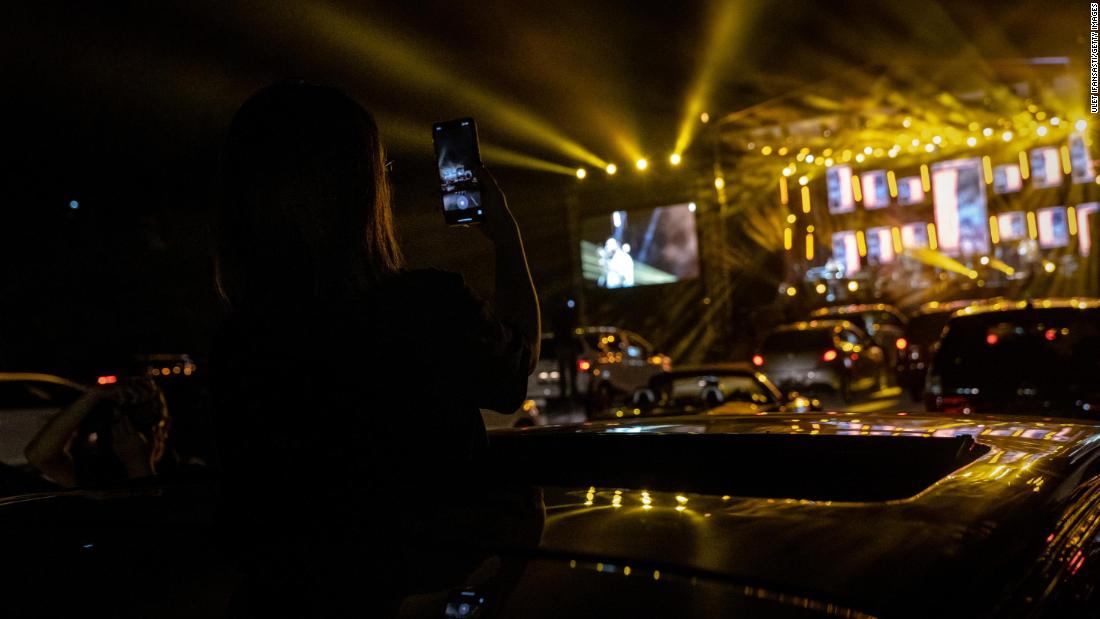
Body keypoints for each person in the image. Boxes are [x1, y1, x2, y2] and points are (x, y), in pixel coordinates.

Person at [211, 81, 540, 616]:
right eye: (381, 170)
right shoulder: (426, 307)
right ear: (357, 190)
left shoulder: (237, 343)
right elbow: (515, 371)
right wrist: (507, 239)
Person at [24, 378, 171, 488]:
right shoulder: (102, 474)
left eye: (149, 417)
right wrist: (94, 395)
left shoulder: (178, 473)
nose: (137, 434)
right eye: (126, 419)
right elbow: (39, 456)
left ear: (165, 426)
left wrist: (138, 462)